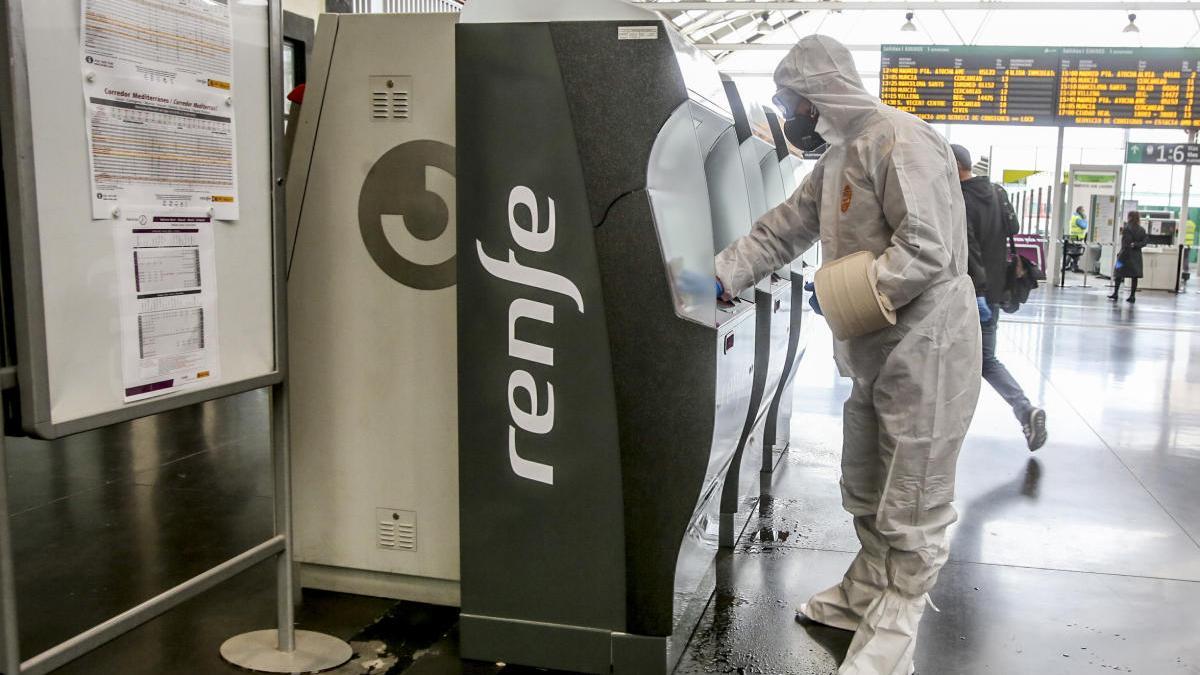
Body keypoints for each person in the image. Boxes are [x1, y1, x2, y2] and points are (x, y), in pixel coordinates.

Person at [714, 35, 981, 675]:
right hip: (877, 346)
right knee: (866, 475)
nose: (788, 114)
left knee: (912, 485)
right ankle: (867, 590)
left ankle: (897, 618)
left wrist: (852, 296)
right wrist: (718, 276)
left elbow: (928, 248)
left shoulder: (900, 139)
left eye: (790, 101)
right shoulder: (837, 160)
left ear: (819, 94)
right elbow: (783, 228)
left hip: (930, 343)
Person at [952, 145, 1048, 452]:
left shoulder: (962, 200)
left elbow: (970, 251)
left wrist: (976, 292)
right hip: (994, 292)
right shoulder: (996, 192)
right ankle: (1024, 410)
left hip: (972, 295)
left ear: (955, 166)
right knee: (985, 360)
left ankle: (942, 428)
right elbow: (1014, 228)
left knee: (952, 359)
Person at [1109, 210, 1148, 303]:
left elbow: (1125, 243)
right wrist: (1136, 245)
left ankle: (1115, 293)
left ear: (1130, 217)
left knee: (1117, 273)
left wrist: (1120, 253)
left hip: (1124, 255)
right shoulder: (1142, 229)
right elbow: (1145, 242)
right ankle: (1132, 296)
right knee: (1134, 276)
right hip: (1136, 256)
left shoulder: (1126, 228)